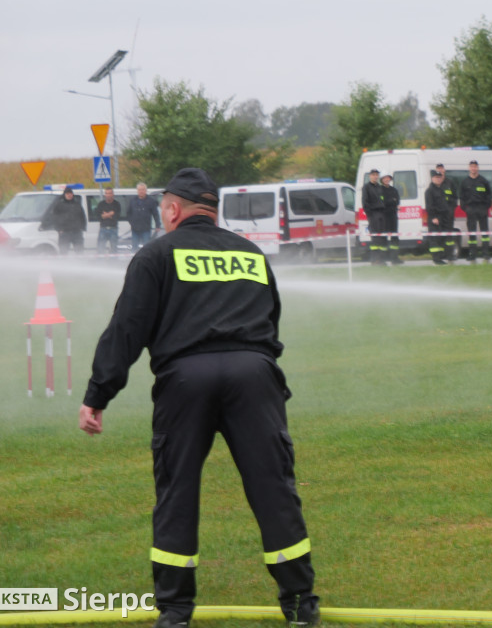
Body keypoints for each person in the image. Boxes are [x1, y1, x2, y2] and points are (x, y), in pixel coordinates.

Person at [77, 168, 319, 628]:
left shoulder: (156, 254)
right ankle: (300, 603)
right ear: (212, 211)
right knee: (273, 488)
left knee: (177, 490)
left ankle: (174, 611)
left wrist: (98, 395)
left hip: (186, 378)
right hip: (254, 374)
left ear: (171, 210)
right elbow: (272, 316)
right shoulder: (250, 252)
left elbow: (127, 330)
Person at [459, 160, 492, 261]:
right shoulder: (465, 182)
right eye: (472, 166)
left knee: (484, 233)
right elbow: (462, 197)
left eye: (475, 166)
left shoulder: (483, 181)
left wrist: (486, 206)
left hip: (482, 208)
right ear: (469, 168)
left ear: (478, 168)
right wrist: (466, 208)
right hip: (471, 209)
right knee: (472, 232)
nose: (473, 168)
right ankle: (472, 254)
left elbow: (489, 195)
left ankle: (485, 253)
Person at [42, 185, 87, 254]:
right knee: (63, 251)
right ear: (64, 195)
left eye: (70, 193)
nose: (69, 195)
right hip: (64, 232)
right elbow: (54, 218)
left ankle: (80, 263)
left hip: (77, 232)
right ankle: (64, 263)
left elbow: (82, 216)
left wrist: (83, 228)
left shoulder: (77, 204)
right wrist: (58, 229)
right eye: (67, 194)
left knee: (79, 251)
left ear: (72, 194)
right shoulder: (59, 205)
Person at [425, 171, 452, 265]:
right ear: (432, 178)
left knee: (441, 238)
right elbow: (429, 206)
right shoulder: (429, 191)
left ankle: (440, 257)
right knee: (435, 239)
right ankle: (436, 258)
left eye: (439, 177)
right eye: (436, 177)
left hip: (443, 217)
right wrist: (434, 217)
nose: (438, 179)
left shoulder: (442, 189)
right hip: (435, 217)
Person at [362, 168, 387, 265]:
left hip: (381, 213)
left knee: (381, 237)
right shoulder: (367, 187)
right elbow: (365, 202)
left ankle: (381, 259)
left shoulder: (379, 187)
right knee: (375, 238)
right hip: (373, 214)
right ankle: (375, 259)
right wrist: (370, 215)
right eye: (373, 175)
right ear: (370, 176)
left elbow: (383, 200)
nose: (375, 176)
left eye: (377, 175)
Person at [435, 163, 459, 261]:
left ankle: (449, 254)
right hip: (439, 214)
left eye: (441, 168)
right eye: (438, 169)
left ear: (444, 170)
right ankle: (441, 255)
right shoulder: (434, 184)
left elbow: (455, 197)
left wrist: (451, 209)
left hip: (449, 214)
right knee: (440, 235)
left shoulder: (450, 183)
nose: (440, 170)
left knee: (449, 235)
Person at [129, 183, 160, 250]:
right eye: (139, 189)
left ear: (146, 190)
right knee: (134, 248)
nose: (141, 191)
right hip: (135, 229)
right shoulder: (132, 201)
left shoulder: (151, 201)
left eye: (143, 189)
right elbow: (128, 213)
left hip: (146, 229)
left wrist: (158, 225)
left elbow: (155, 214)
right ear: (137, 191)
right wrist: (131, 223)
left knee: (146, 248)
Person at [380, 174, 403, 264]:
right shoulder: (380, 190)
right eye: (384, 178)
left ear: (390, 179)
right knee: (383, 238)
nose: (386, 179)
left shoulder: (394, 190)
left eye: (388, 178)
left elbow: (397, 201)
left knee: (395, 237)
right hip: (384, 216)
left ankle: (395, 258)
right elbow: (382, 202)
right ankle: (383, 259)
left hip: (393, 215)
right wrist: (391, 201)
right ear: (382, 179)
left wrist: (395, 203)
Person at [95, 187, 122, 255]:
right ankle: (101, 264)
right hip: (103, 228)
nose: (108, 195)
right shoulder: (101, 204)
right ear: (105, 195)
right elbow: (99, 217)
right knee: (100, 248)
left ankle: (113, 264)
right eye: (106, 193)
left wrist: (105, 215)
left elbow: (117, 216)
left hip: (113, 229)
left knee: (114, 249)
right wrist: (110, 214)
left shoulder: (117, 204)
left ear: (113, 194)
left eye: (110, 193)